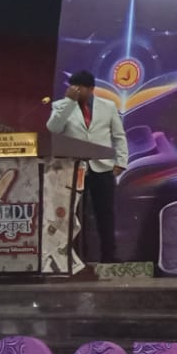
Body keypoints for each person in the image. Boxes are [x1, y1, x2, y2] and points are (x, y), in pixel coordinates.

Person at [47, 70, 129, 264]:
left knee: (105, 213)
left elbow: (118, 136)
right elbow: (53, 128)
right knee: (75, 215)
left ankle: (109, 256)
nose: (75, 90)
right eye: (72, 86)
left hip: (102, 168)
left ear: (91, 89)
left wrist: (121, 162)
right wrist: (69, 102)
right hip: (74, 169)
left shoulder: (108, 107)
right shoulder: (61, 105)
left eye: (80, 87)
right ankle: (76, 258)